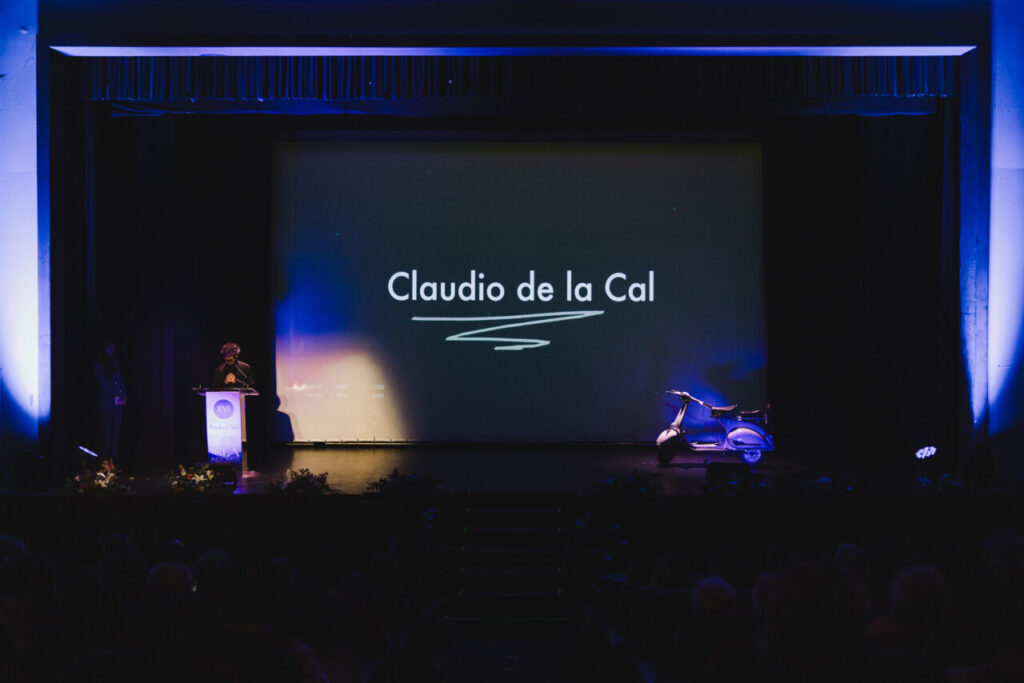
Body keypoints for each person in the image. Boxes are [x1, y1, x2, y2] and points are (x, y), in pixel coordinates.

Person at [94, 341, 127, 464]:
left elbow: (120, 380)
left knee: (115, 432)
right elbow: (102, 383)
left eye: (114, 347)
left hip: (117, 403)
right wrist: (115, 394)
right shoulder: (98, 364)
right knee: (106, 431)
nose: (113, 349)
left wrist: (123, 395)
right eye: (111, 347)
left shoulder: (114, 362)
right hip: (107, 402)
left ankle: (112, 458)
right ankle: (105, 459)